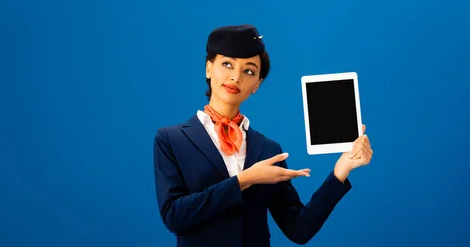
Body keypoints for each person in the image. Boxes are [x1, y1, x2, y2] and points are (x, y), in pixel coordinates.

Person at [153, 24, 373, 247]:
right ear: (209, 69)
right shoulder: (171, 140)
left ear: (257, 85)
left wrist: (340, 171)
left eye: (248, 71)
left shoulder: (268, 149)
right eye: (227, 64)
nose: (236, 77)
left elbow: (299, 229)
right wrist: (245, 179)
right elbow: (174, 217)